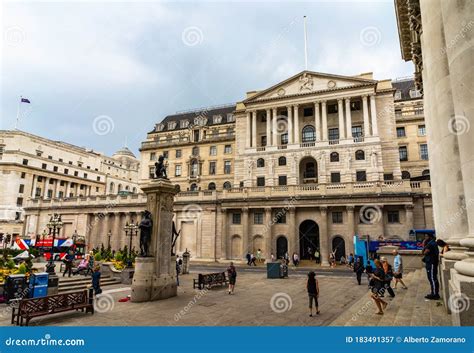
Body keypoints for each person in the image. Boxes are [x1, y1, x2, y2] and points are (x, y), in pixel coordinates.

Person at [423, 233, 440, 300]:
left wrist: (424, 246)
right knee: (432, 278)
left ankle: (435, 294)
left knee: (432, 278)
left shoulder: (430, 244)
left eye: (426, 236)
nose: (425, 237)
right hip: (430, 263)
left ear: (430, 237)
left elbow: (425, 252)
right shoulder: (431, 243)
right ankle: (433, 292)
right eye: (425, 236)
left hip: (431, 263)